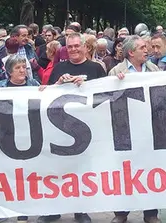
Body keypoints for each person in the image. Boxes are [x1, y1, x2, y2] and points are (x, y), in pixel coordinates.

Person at [39, 33, 106, 223]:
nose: (74, 50)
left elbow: (106, 94)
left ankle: (81, 210)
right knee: (58, 170)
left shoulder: (96, 68)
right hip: (60, 128)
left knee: (82, 171)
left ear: (85, 47)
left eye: (77, 46)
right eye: (70, 47)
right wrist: (59, 83)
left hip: (88, 128)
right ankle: (54, 209)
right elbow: (47, 93)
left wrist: (87, 86)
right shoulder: (60, 67)